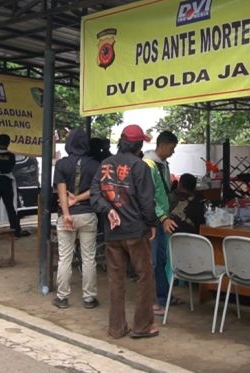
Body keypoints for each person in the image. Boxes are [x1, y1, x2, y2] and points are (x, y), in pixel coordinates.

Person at [90, 124, 159, 339]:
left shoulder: (105, 165)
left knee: (116, 279)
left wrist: (108, 209)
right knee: (144, 277)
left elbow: (94, 195)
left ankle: (117, 328)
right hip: (136, 232)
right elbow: (147, 202)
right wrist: (152, 224)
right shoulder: (140, 167)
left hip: (113, 233)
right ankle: (142, 326)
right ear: (139, 145)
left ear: (121, 141)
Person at [52, 127, 100, 309]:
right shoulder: (96, 165)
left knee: (65, 257)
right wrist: (79, 199)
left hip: (67, 216)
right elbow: (97, 190)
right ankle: (89, 298)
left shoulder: (62, 164)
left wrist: (66, 213)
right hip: (87, 214)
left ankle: (62, 298)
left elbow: (61, 190)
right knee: (89, 258)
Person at [143, 130, 181, 317]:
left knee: (162, 260)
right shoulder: (148, 165)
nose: (173, 152)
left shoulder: (163, 164)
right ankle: (151, 301)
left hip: (163, 218)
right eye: (172, 148)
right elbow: (149, 196)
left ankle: (164, 295)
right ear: (164, 145)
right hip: (153, 220)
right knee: (152, 261)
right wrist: (162, 217)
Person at [0, 134, 29, 238]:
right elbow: (11, 166)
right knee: (10, 207)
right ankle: (16, 230)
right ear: (8, 143)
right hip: (6, 182)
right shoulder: (11, 155)